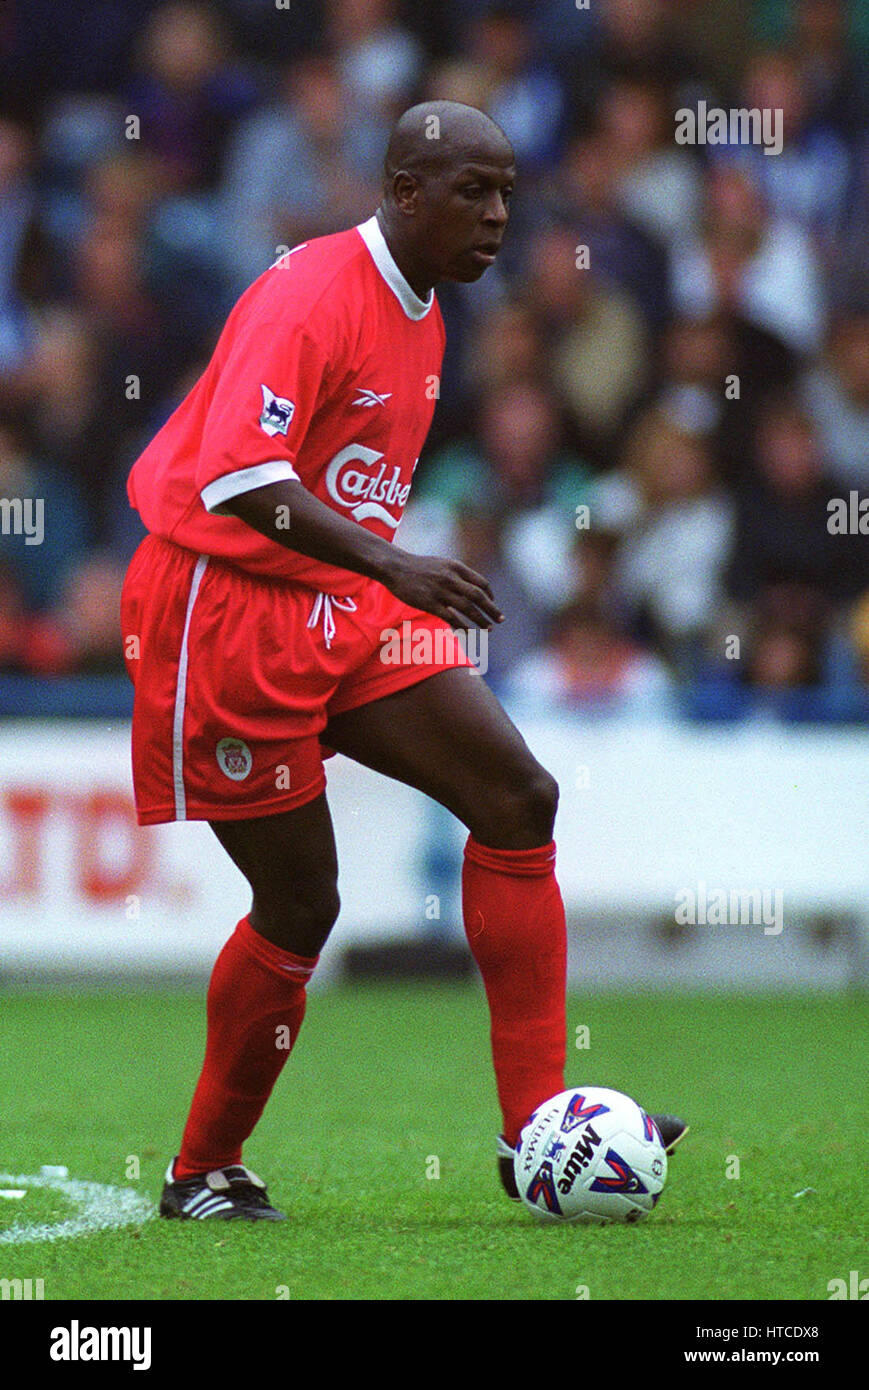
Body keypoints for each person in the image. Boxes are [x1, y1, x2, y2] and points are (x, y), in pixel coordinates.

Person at [121, 100, 685, 1221]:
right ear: (404, 191)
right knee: (301, 902)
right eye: (472, 192)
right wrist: (398, 562)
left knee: (516, 794)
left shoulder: (426, 308)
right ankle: (202, 1170)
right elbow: (239, 479)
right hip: (222, 610)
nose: (495, 216)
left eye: (507, 194)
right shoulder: (311, 291)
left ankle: (534, 1127)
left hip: (336, 599)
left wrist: (377, 574)